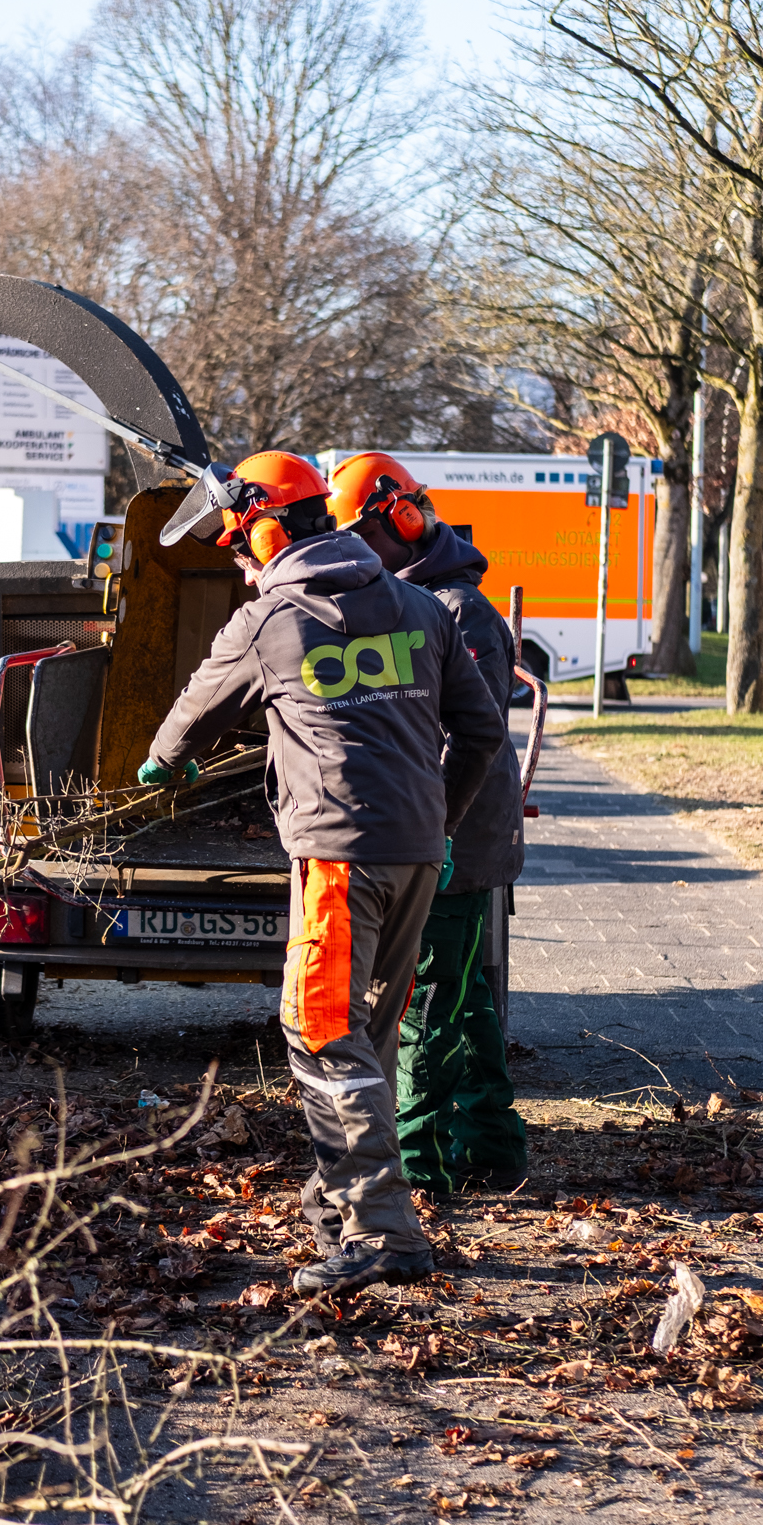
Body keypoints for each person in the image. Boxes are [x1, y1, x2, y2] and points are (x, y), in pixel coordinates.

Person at [138, 451, 507, 1296]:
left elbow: (181, 728)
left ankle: (383, 1232)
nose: (238, 563)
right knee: (366, 1035)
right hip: (417, 854)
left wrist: (167, 768)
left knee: (316, 1031)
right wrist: (440, 823)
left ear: (264, 531)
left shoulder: (269, 621)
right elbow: (481, 733)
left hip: (338, 859)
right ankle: (334, 1200)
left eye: (236, 547)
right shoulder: (420, 605)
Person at [326, 453, 529, 1196]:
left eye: (357, 538)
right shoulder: (403, 601)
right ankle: (495, 1148)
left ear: (401, 522)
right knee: (467, 997)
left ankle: (421, 1163)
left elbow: (464, 737)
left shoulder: (457, 612)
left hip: (458, 839)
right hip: (432, 833)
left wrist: (431, 832)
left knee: (429, 1008)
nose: (349, 554)